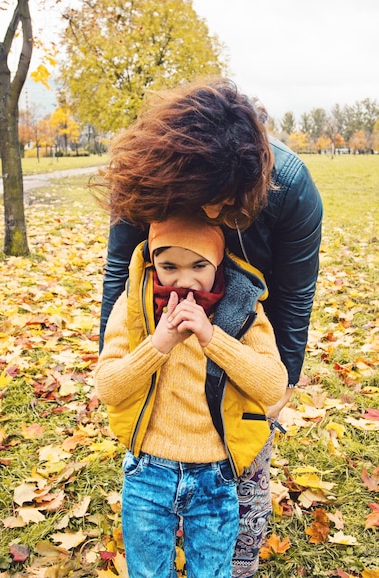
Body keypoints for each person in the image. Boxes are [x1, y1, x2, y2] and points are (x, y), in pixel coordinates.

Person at [95, 77, 323, 577]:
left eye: (219, 206)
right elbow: (122, 272)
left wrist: (281, 379)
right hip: (167, 333)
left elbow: (294, 294)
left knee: (241, 501)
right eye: (200, 205)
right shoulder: (149, 179)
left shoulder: (292, 188)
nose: (212, 215)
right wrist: (122, 360)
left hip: (244, 313)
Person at [94, 215, 288, 578]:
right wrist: (160, 344)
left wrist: (212, 338)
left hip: (215, 474)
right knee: (148, 572)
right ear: (153, 263)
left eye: (199, 265)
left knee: (212, 571)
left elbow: (272, 385)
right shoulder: (134, 305)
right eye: (169, 266)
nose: (184, 280)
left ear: (217, 261)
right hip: (148, 471)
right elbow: (108, 387)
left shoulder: (243, 309)